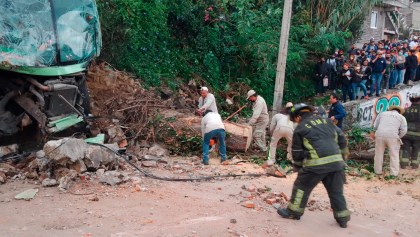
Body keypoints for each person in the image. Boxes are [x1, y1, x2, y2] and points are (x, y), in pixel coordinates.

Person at [277, 103, 351, 228]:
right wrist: (342, 158)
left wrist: (299, 167)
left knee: (301, 186)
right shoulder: (327, 121)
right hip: (336, 164)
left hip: (316, 165)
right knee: (336, 192)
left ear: (298, 117)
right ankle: (342, 218)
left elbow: (297, 152)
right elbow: (342, 139)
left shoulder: (300, 128)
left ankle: (294, 212)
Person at [372, 106, 407, 177]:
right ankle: (393, 174)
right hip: (393, 136)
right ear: (399, 111)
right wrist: (398, 136)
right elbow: (404, 130)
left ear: (391, 109)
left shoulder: (382, 114)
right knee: (394, 155)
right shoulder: (401, 117)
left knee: (378, 154)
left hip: (379, 135)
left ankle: (377, 172)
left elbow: (375, 126)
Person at [400, 93, 420, 169]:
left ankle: (403, 164)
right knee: (417, 149)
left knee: (405, 148)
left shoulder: (406, 110)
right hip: (418, 135)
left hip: (406, 133)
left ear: (412, 101)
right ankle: (415, 165)